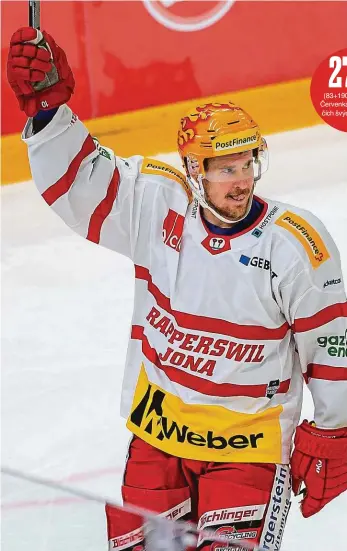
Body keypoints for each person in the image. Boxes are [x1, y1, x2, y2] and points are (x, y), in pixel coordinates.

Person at [7, 27, 347, 551]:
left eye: (247, 164)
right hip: (158, 438)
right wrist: (50, 113)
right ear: (193, 170)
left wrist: (332, 428)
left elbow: (331, 345)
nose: (241, 181)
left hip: (247, 450)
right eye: (225, 169)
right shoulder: (156, 203)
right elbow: (81, 187)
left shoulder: (296, 244)